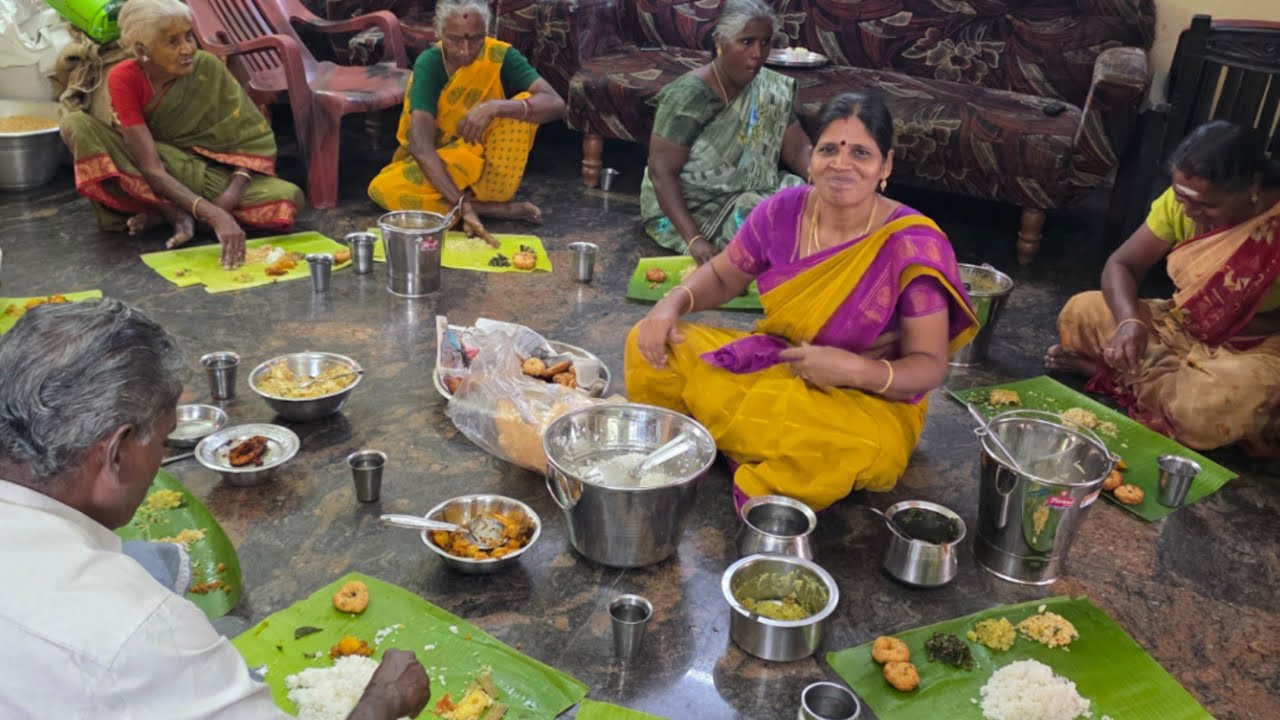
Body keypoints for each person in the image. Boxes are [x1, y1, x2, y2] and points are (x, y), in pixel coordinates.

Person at [0, 299, 430, 719]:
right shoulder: (139, 632)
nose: (162, 460)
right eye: (164, 441)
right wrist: (383, 702)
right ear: (117, 452)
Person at [626, 93, 978, 512]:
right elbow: (722, 275)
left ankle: (730, 447)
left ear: (885, 166)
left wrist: (853, 369)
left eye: (861, 153)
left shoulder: (913, 243)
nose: (841, 164)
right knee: (649, 344)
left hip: (865, 401)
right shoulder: (781, 212)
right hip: (780, 365)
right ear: (812, 160)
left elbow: (929, 365)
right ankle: (746, 443)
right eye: (829, 150)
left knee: (842, 449)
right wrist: (670, 304)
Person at [1047, 120, 1280, 456]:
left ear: (1252, 188)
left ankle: (1118, 379)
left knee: (1209, 403)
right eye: (1182, 197)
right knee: (1083, 311)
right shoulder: (1182, 199)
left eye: (1205, 205)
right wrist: (1129, 322)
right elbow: (1122, 265)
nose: (1188, 210)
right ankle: (1159, 388)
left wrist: (1238, 322)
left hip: (1253, 347)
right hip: (1182, 323)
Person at [58, 0, 303, 270]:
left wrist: (226, 202)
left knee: (287, 197)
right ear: (142, 49)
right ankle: (172, 211)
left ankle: (173, 216)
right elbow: (150, 168)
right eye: (173, 42)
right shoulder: (124, 78)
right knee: (76, 124)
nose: (187, 49)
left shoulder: (207, 67)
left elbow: (251, 144)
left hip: (207, 173)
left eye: (189, 36)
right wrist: (215, 216)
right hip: (157, 168)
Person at [367, 0, 565, 239]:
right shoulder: (430, 64)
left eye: (475, 39)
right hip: (439, 167)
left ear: (487, 32)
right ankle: (492, 210)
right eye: (455, 40)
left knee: (522, 107)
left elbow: (556, 104)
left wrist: (495, 107)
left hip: (485, 165)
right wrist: (464, 204)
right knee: (382, 188)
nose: (466, 50)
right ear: (439, 33)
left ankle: (469, 204)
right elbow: (421, 146)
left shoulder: (500, 56)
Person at [641, 0, 811, 265]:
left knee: (802, 195)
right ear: (721, 42)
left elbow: (799, 149)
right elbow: (661, 172)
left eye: (765, 43)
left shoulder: (768, 88)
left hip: (751, 190)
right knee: (759, 217)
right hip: (693, 209)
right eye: (747, 42)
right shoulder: (689, 96)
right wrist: (695, 240)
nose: (757, 53)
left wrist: (830, 181)